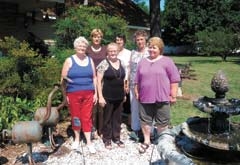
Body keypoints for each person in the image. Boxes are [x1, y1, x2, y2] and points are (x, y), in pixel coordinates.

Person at [134, 37, 181, 154]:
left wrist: (173, 95)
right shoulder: (143, 62)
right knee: (145, 120)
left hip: (163, 96)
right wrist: (136, 91)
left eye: (154, 47)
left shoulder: (167, 61)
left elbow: (174, 79)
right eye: (149, 47)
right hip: (145, 96)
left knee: (162, 121)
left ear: (160, 48)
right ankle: (146, 140)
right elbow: (137, 80)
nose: (151, 50)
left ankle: (161, 140)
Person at [61, 36, 97, 154]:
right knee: (76, 117)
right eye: (79, 45)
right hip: (73, 93)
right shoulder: (69, 60)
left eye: (84, 46)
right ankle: (77, 139)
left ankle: (89, 142)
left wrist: (96, 93)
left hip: (88, 93)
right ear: (75, 47)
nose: (82, 47)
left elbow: (94, 77)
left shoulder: (90, 60)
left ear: (86, 48)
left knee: (87, 117)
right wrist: (65, 95)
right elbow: (63, 78)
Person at [96, 42, 127, 150]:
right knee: (107, 119)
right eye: (110, 51)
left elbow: (123, 80)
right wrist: (100, 96)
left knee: (117, 118)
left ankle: (116, 137)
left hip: (119, 96)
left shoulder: (121, 62)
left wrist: (124, 94)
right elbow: (98, 81)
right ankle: (107, 139)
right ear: (107, 52)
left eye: (115, 51)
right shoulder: (103, 63)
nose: (113, 53)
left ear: (118, 51)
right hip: (107, 96)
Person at [86, 29, 107, 139]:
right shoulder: (87, 49)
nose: (97, 38)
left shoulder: (105, 49)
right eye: (95, 36)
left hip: (103, 81)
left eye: (99, 37)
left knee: (101, 105)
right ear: (92, 37)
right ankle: (93, 129)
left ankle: (101, 129)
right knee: (92, 106)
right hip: (90, 80)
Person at [129, 30, 149, 142]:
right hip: (133, 84)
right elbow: (130, 68)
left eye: (141, 39)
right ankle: (136, 129)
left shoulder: (149, 52)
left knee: (146, 109)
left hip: (146, 85)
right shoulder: (133, 53)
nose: (139, 41)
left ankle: (147, 131)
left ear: (145, 39)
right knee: (135, 107)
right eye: (137, 40)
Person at [115, 34, 131, 125]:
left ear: (124, 41)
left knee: (127, 101)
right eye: (117, 40)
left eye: (120, 40)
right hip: (114, 82)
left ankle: (129, 123)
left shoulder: (128, 53)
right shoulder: (112, 51)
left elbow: (129, 69)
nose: (119, 42)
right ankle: (117, 121)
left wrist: (126, 83)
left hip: (125, 80)